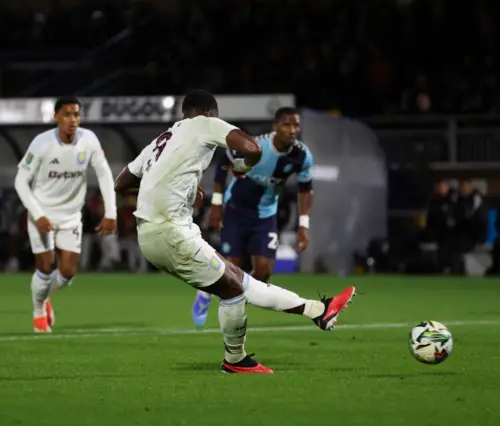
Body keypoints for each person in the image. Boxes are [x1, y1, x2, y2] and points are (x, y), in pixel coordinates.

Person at [114, 90, 354, 374]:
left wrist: (180, 187)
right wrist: (242, 165)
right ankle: (238, 358)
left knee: (240, 283)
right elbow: (253, 149)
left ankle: (317, 311)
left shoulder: (161, 140)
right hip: (170, 232)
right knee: (236, 289)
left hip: (155, 232)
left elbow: (121, 183)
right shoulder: (205, 123)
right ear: (211, 113)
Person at [191, 107, 314, 327]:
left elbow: (306, 189)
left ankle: (232, 305)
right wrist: (217, 205)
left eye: (296, 125)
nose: (292, 130)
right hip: (236, 211)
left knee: (264, 273)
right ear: (275, 127)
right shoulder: (255, 146)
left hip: (265, 216)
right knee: (230, 270)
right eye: (287, 124)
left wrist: (303, 225)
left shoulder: (302, 156)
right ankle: (206, 292)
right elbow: (223, 164)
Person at [14, 96, 118, 333]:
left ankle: (44, 297)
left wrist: (110, 212)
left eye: (76, 115)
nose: (73, 120)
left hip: (71, 216)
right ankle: (38, 310)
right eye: (67, 115)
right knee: (46, 266)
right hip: (42, 215)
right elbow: (20, 180)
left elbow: (104, 174)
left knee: (68, 274)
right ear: (56, 117)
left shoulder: (89, 140)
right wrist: (37, 214)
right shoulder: (41, 143)